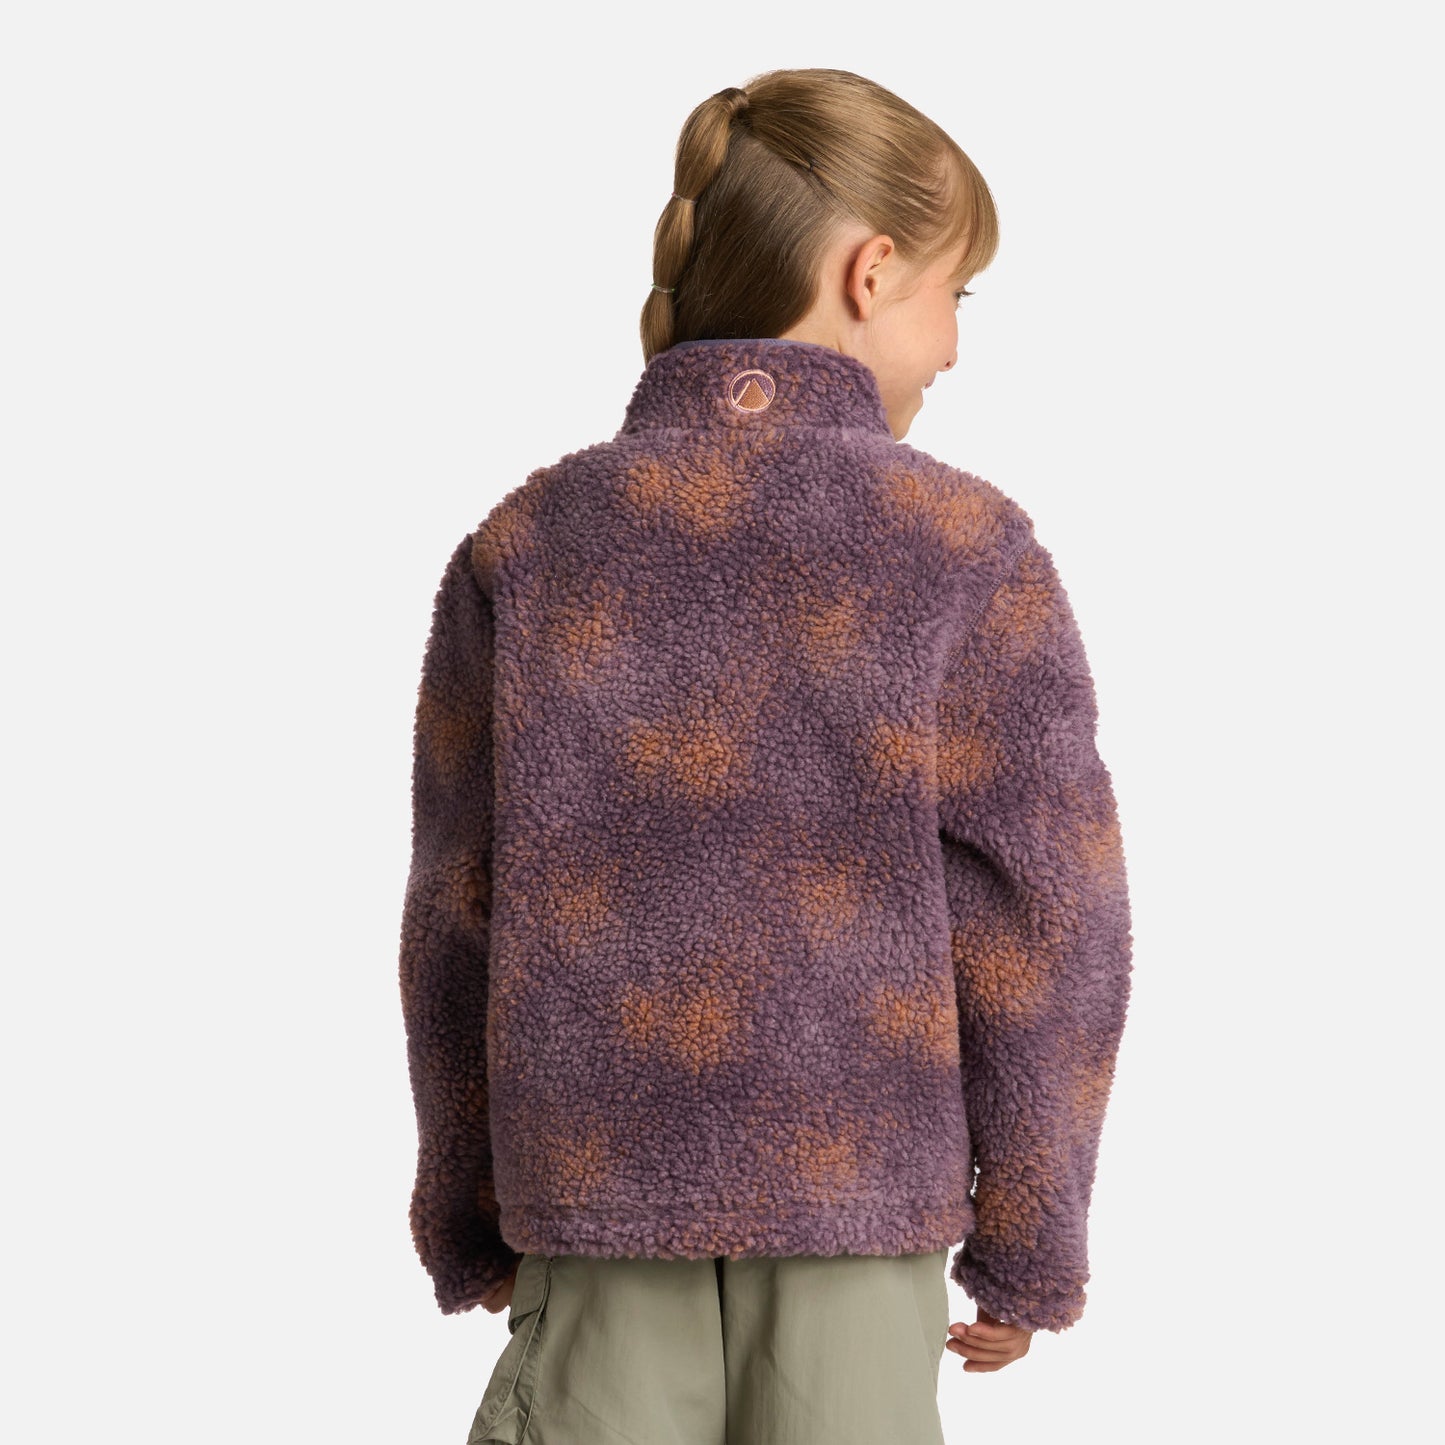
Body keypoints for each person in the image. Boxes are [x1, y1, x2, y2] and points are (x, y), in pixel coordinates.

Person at [398, 67, 1133, 1445]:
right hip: (861, 1193)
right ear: (873, 272)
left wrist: (468, 1209)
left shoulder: (529, 542)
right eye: (957, 296)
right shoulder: (965, 548)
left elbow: (455, 906)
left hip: (593, 1189)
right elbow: (1048, 918)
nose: (953, 350)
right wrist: (1033, 1237)